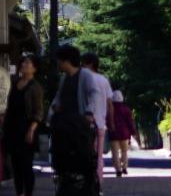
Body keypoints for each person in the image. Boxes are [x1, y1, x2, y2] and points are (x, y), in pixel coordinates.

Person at [50, 45, 108, 186]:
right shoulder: (64, 78)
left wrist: (89, 112)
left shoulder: (85, 75)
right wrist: (54, 109)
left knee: (84, 153)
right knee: (62, 152)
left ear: (66, 61)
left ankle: (91, 183)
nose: (58, 63)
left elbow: (94, 93)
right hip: (65, 122)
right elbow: (58, 97)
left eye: (60, 60)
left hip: (79, 122)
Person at [4, 54, 44, 196]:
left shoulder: (35, 87)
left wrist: (31, 129)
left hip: (27, 128)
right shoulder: (15, 83)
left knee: (26, 165)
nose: (24, 65)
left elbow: (38, 111)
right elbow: (10, 106)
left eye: (28, 63)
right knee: (15, 165)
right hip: (12, 128)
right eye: (24, 63)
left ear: (35, 68)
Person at [81, 52, 114, 184]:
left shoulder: (83, 79)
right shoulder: (103, 80)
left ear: (90, 64)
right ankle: (98, 183)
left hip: (85, 123)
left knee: (85, 154)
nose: (81, 65)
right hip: (100, 123)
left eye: (83, 63)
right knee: (98, 156)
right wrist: (111, 122)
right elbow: (110, 103)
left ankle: (86, 183)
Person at [109, 90, 136, 176]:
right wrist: (133, 132)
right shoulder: (126, 109)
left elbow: (107, 120)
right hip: (125, 134)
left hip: (113, 133)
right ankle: (124, 167)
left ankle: (118, 169)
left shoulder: (110, 109)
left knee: (115, 153)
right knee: (124, 151)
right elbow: (130, 122)